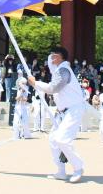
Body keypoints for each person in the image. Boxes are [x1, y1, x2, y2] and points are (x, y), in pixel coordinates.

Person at [28, 46, 85, 183]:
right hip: (63, 112)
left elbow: (54, 88)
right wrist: (52, 56)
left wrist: (35, 83)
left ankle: (78, 168)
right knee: (53, 140)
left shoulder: (64, 70)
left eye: (55, 56)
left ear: (62, 58)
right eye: (51, 56)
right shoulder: (58, 69)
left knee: (62, 139)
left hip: (73, 109)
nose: (51, 58)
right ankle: (61, 171)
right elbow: (51, 63)